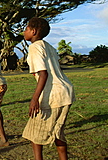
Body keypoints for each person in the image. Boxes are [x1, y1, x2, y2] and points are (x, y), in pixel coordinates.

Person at [22, 17, 75, 160]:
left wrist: (34, 99)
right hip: (66, 92)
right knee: (58, 132)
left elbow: (43, 74)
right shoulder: (49, 46)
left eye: (26, 29)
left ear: (33, 31)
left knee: (35, 134)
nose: (24, 32)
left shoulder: (35, 47)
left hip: (53, 95)